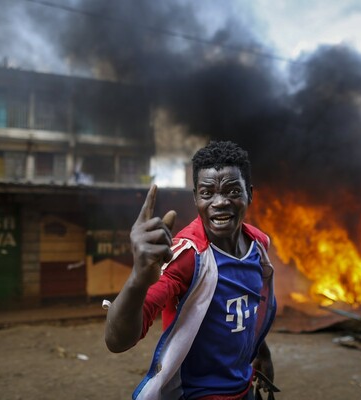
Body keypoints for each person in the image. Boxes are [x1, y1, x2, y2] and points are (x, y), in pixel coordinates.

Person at [105, 141, 277, 400]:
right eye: (207, 193)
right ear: (195, 197)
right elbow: (117, 341)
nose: (219, 202)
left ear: (249, 194)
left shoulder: (258, 244)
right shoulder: (185, 256)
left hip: (244, 390)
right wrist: (138, 278)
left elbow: (247, 309)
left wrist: (261, 352)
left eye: (232, 191)